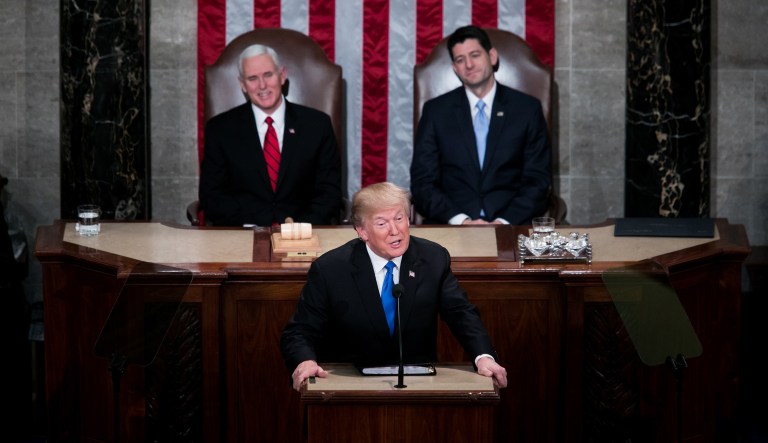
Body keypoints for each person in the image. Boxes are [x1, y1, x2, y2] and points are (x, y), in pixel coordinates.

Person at [280, 181, 507, 391]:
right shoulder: (331, 269)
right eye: (382, 223)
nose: (395, 230)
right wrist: (305, 361)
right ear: (362, 231)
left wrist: (483, 356)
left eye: (399, 218)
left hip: (418, 383)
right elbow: (299, 331)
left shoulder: (433, 259)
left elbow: (461, 313)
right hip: (349, 385)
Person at [410, 25, 552, 226]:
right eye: (460, 60)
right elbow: (423, 183)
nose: (468, 64)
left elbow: (537, 181)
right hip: (451, 226)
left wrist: (502, 223)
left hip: (513, 225)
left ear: (492, 56)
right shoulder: (436, 112)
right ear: (455, 68)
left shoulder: (527, 110)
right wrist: (461, 221)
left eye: (475, 55)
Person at [199, 44, 342, 226]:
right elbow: (212, 195)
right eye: (252, 78)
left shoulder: (317, 125)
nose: (262, 85)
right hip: (242, 233)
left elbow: (329, 191)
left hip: (304, 233)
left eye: (268, 75)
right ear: (242, 85)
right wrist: (250, 226)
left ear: (282, 76)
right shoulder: (220, 129)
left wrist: (300, 228)